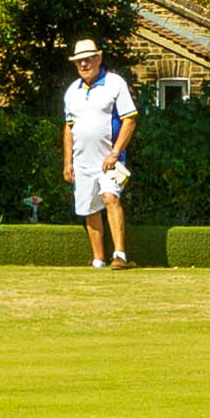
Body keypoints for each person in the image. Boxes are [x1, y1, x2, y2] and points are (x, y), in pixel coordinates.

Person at [61, 37, 137, 270]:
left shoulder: (115, 83)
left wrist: (114, 153)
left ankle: (120, 256)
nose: (83, 65)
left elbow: (130, 119)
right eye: (79, 61)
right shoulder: (72, 91)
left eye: (87, 60)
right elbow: (69, 127)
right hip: (82, 163)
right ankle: (98, 259)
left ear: (98, 58)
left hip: (113, 162)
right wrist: (67, 162)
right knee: (89, 209)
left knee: (110, 197)